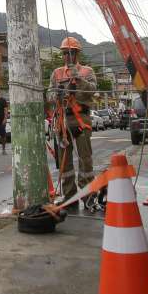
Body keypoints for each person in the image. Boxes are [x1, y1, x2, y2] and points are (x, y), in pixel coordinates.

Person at [46, 37, 97, 200]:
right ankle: (69, 195)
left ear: (77, 54)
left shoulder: (87, 71)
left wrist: (79, 79)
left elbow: (92, 91)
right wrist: (56, 94)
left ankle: (86, 192)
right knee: (64, 160)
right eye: (65, 53)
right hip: (63, 120)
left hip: (81, 118)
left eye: (71, 53)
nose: (67, 56)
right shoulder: (57, 73)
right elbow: (49, 95)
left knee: (85, 158)